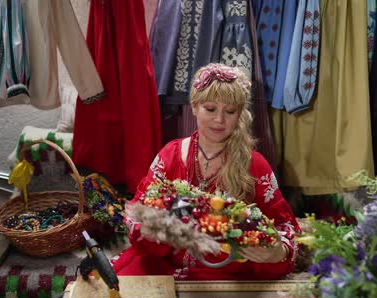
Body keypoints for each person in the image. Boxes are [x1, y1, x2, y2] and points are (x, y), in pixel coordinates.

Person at [111, 63, 300, 280]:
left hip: (228, 274)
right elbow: (136, 213)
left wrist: (277, 252)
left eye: (229, 111)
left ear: (239, 114)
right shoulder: (169, 156)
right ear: (194, 106)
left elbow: (286, 230)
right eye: (210, 109)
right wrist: (153, 232)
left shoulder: (255, 165)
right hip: (164, 266)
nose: (219, 120)